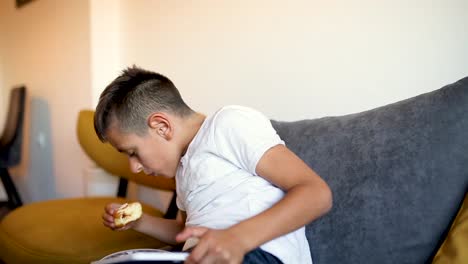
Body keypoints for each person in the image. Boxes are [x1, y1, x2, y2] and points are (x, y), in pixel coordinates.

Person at [96, 66, 332, 264]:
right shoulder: (183, 171)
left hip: (257, 253)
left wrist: (238, 238)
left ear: (162, 126)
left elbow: (316, 193)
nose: (134, 167)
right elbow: (185, 231)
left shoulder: (227, 123)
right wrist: (139, 221)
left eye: (133, 152)